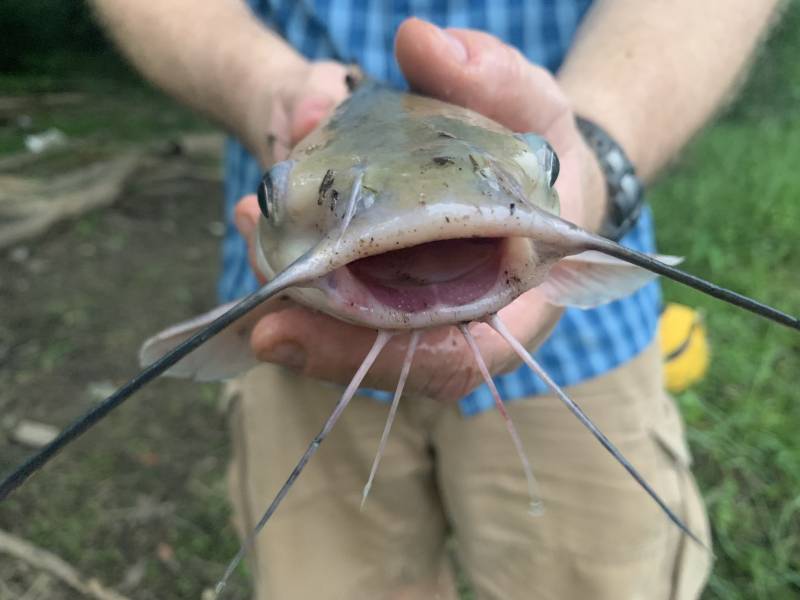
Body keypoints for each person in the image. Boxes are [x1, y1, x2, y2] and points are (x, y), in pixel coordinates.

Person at [91, 1, 779, 598]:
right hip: (289, 332)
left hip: (580, 340)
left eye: (542, 165)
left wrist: (595, 164)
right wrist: (258, 83)